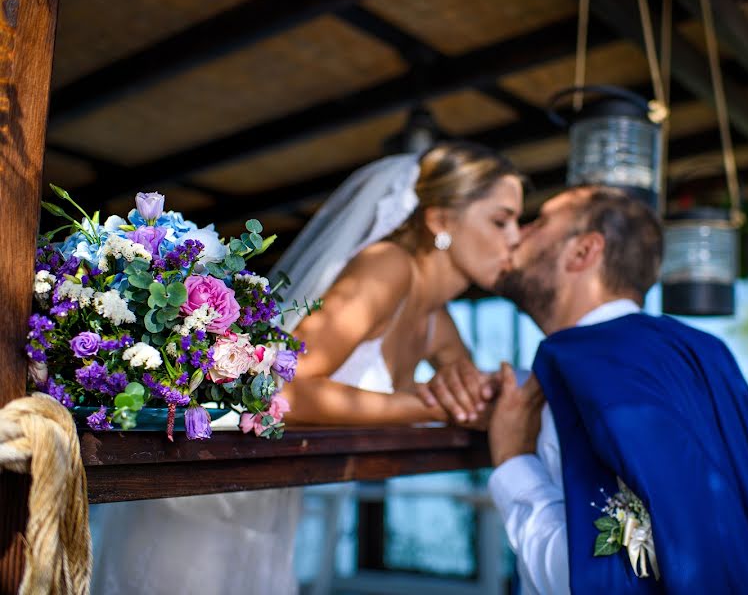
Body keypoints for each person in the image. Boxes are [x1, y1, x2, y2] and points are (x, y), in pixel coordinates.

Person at [91, 141, 524, 594]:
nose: (515, 236)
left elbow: (467, 389)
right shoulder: (387, 266)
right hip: (206, 496)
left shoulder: (436, 315)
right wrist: (429, 406)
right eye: (501, 220)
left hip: (268, 498)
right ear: (440, 220)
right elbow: (281, 389)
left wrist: (469, 394)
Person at [422, 185, 748, 594]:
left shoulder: (587, 371)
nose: (516, 233)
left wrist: (513, 460)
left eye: (538, 222)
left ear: (583, 252)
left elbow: (599, 581)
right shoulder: (703, 354)